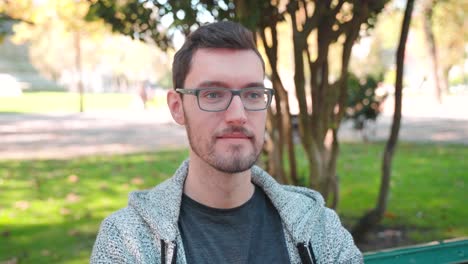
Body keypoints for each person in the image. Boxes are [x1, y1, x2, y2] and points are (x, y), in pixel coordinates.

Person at [91, 21, 362, 264]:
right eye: (212, 94)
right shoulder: (129, 241)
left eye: (253, 94)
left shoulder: (320, 230)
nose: (238, 115)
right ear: (177, 107)